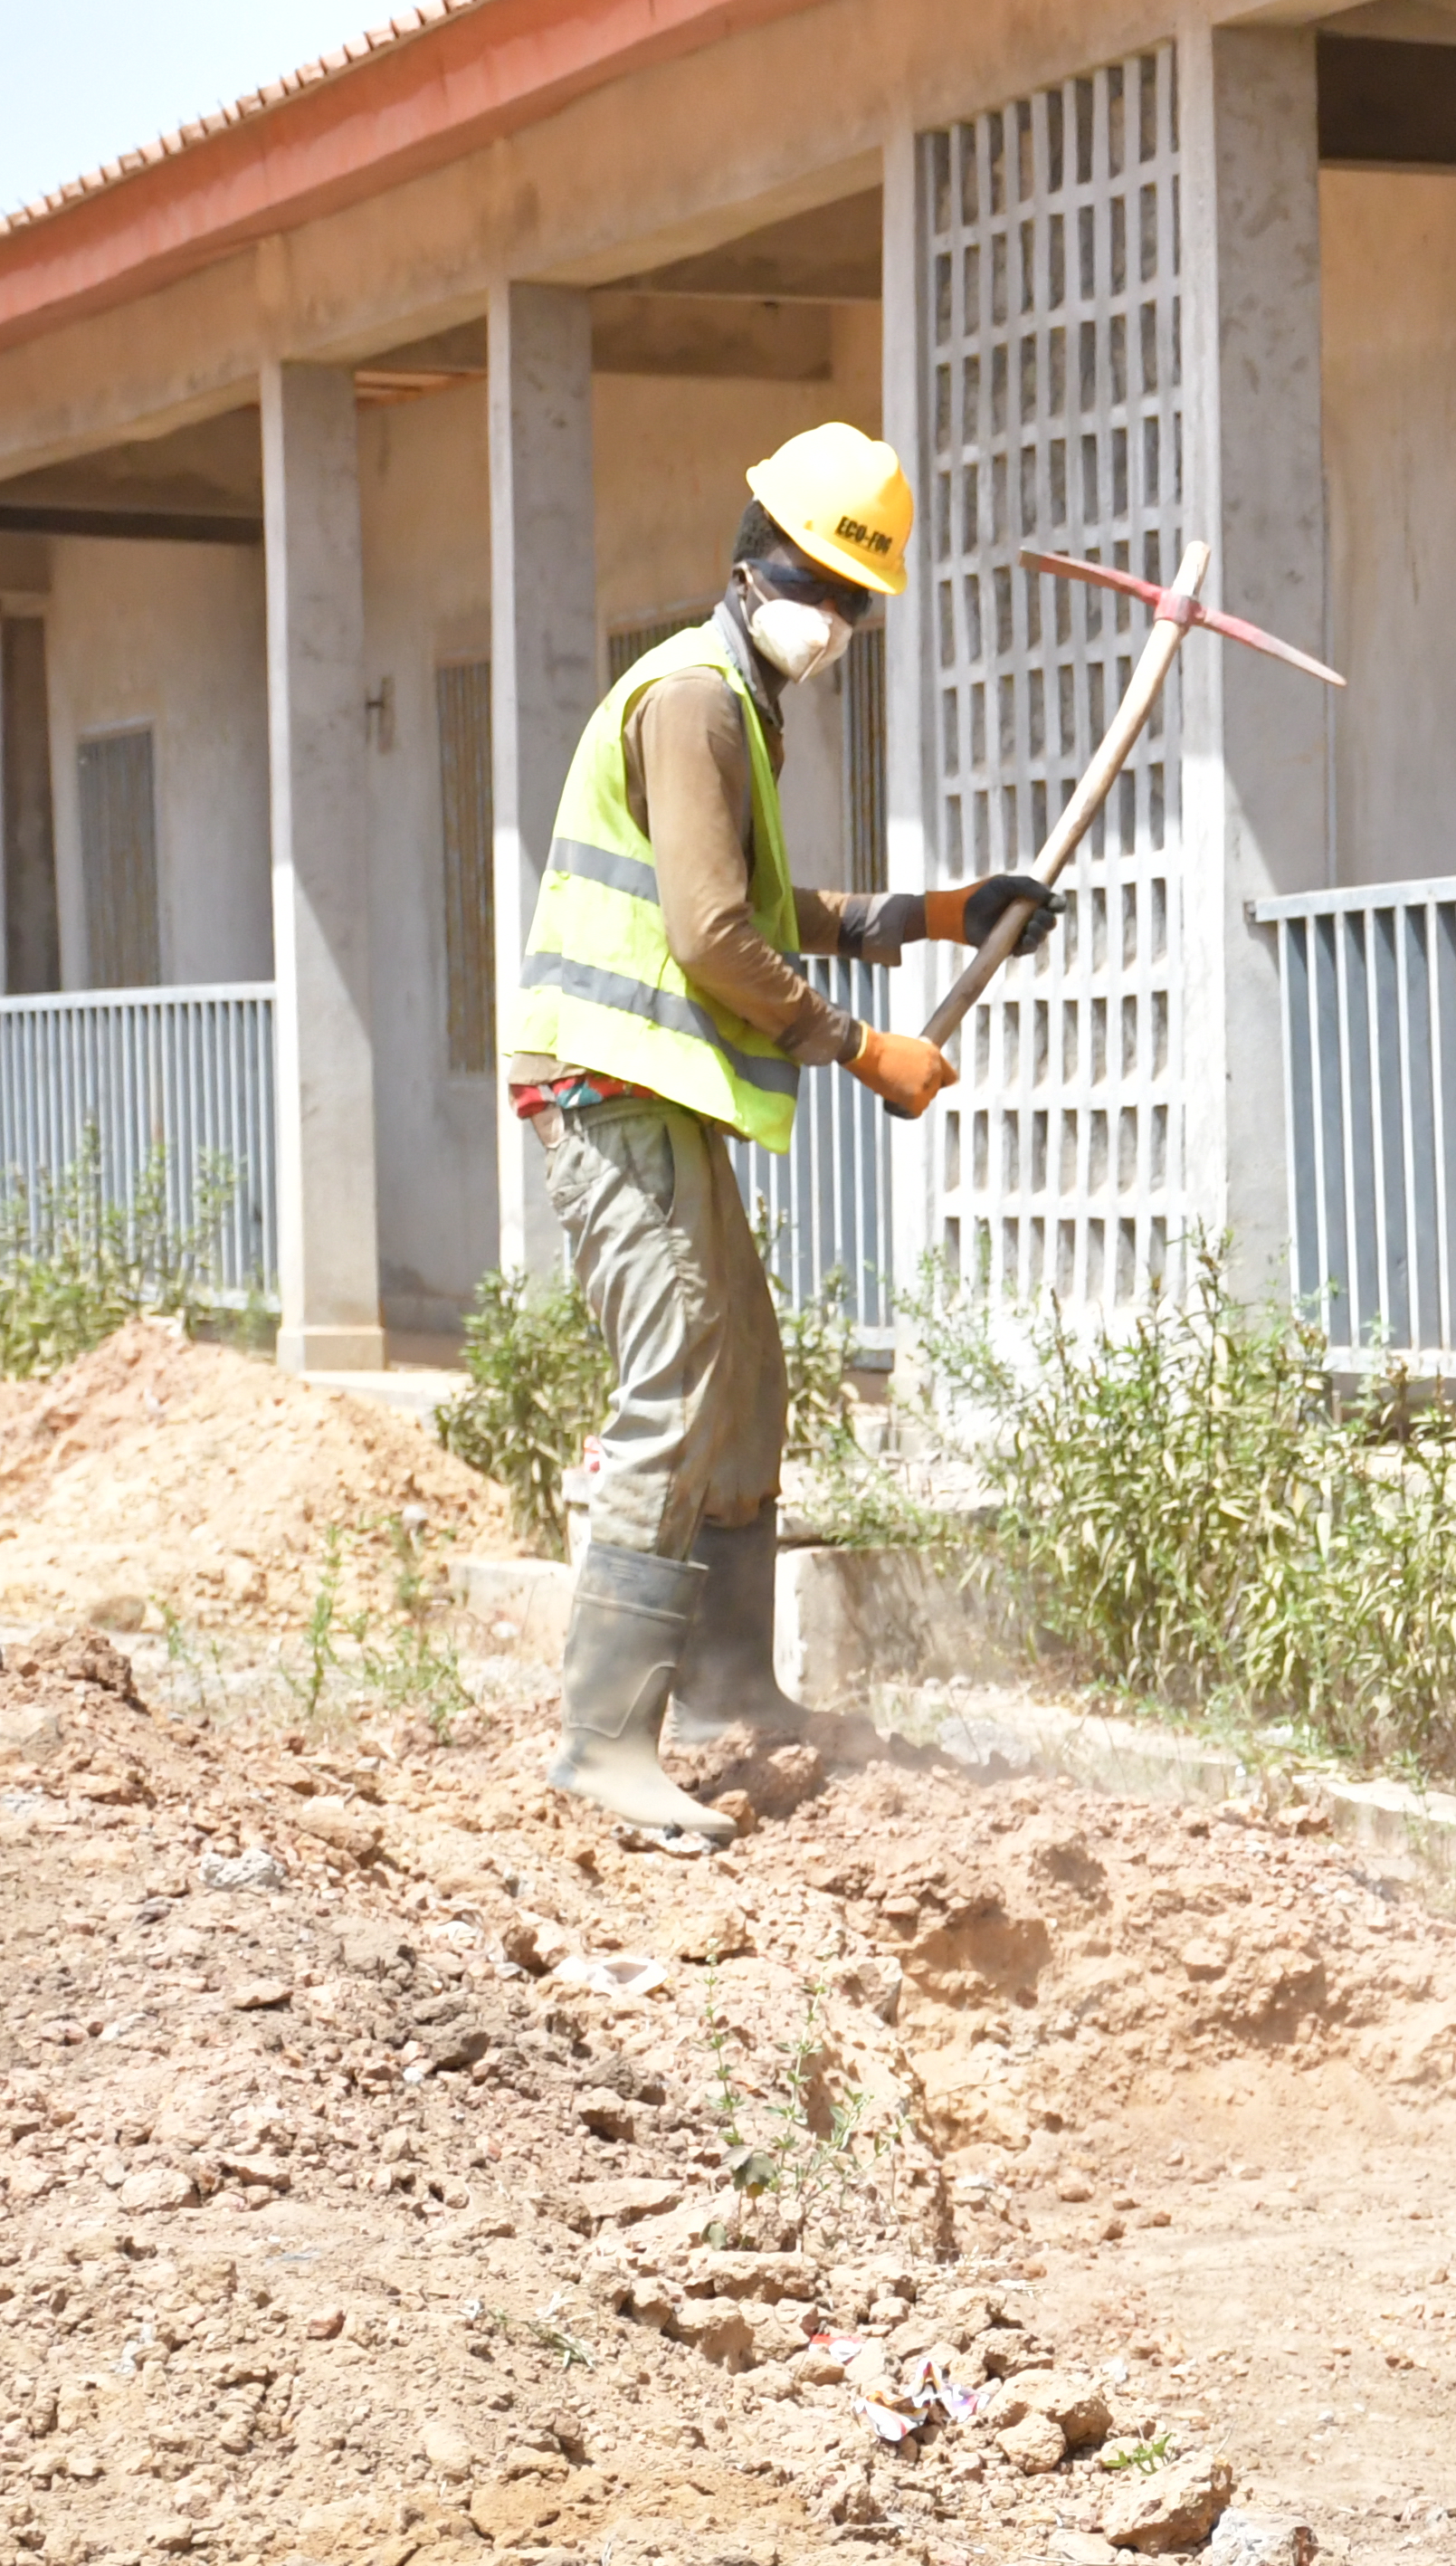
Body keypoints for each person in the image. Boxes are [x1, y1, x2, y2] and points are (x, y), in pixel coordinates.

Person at [500, 421, 1061, 1845]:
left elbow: (758, 905)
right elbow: (710, 937)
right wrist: (865, 1048)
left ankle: (729, 1692)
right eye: (817, 585)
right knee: (679, 1390)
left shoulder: (737, 706)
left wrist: (931, 914)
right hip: (608, 1088)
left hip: (657, 1091)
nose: (833, 618)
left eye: (852, 599)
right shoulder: (693, 700)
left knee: (743, 1381)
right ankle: (604, 1741)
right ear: (751, 566)